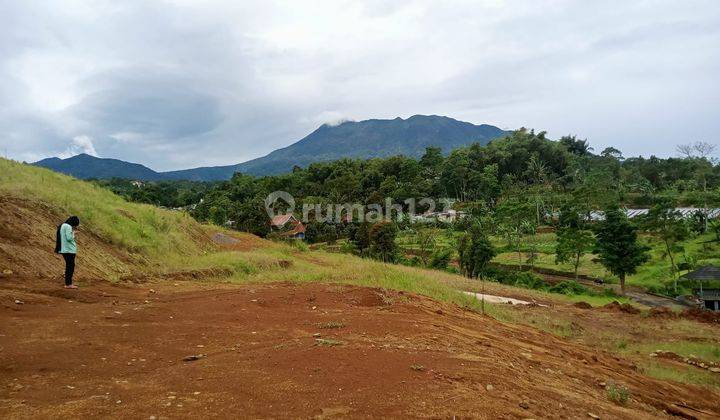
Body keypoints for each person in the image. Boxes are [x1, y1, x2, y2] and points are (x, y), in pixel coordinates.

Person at [55, 216, 80, 289]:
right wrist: (74, 233)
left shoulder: (63, 225)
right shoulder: (68, 226)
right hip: (69, 250)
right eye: (75, 225)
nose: (74, 226)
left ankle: (68, 282)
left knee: (69, 265)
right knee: (70, 266)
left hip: (64, 249)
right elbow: (69, 238)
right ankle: (68, 284)